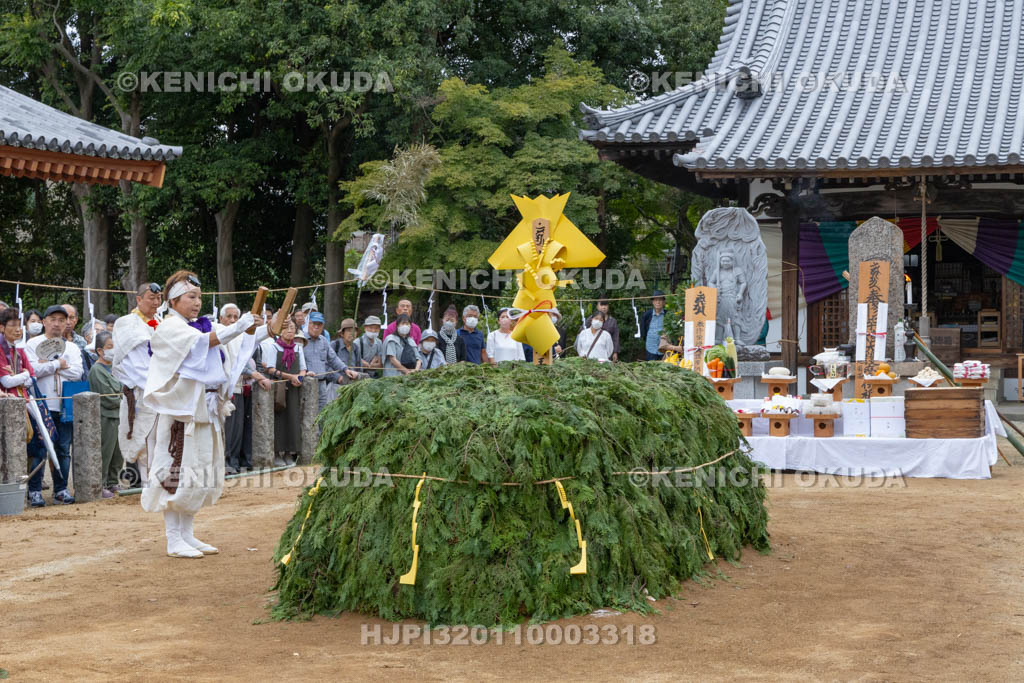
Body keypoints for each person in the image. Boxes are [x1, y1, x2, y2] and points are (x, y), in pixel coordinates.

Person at [142, 270, 256, 558]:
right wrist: (240, 325)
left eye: (199, 297)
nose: (197, 302)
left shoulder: (195, 327)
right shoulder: (170, 328)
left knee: (201, 471)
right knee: (178, 472)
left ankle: (187, 534)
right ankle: (173, 538)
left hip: (204, 409)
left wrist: (262, 329)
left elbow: (231, 343)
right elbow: (207, 342)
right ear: (174, 299)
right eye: (191, 297)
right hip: (181, 413)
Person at [25, 305, 83, 506]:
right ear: (44, 322)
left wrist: (48, 366)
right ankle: (34, 490)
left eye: (61, 319)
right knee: (39, 448)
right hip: (41, 404)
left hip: (65, 404)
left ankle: (61, 489)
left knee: (63, 449)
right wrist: (58, 364)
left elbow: (77, 373)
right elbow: (32, 371)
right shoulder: (32, 344)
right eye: (53, 319)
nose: (57, 324)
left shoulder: (73, 347)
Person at [112, 283, 164, 485]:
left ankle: (158, 480)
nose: (156, 302)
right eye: (151, 297)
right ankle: (145, 482)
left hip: (163, 388)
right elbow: (135, 363)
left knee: (162, 437)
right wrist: (157, 386)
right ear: (139, 299)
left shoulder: (159, 322)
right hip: (141, 390)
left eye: (159, 298)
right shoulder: (127, 324)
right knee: (143, 437)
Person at [261, 319, 308, 466]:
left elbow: (303, 368)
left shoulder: (299, 348)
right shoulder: (274, 348)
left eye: (293, 328)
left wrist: (299, 377)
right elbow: (269, 369)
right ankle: (277, 453)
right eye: (287, 327)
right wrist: (289, 377)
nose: (290, 330)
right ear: (280, 331)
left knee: (293, 419)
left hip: (294, 388)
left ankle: (289, 453)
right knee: (279, 419)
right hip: (279, 388)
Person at [88, 331, 124, 498]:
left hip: (120, 416)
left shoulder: (116, 367)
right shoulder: (96, 370)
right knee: (106, 451)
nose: (113, 350)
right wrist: (124, 398)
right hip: (106, 416)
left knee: (118, 452)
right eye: (110, 347)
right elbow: (108, 398)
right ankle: (101, 483)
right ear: (100, 351)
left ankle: (113, 481)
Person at [305, 311, 358, 413]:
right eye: (313, 323)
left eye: (319, 324)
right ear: (308, 323)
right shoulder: (301, 340)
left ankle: (321, 430)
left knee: (322, 413)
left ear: (322, 326)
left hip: (322, 384)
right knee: (308, 413)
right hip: (307, 383)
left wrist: (346, 369)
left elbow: (333, 359)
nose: (316, 327)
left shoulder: (324, 341)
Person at [216, 303, 246, 475]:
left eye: (236, 317)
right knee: (223, 427)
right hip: (220, 389)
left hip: (238, 386)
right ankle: (221, 462)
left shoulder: (240, 337)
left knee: (235, 428)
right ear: (221, 318)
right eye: (229, 316)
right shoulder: (217, 332)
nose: (232, 320)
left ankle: (231, 461)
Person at [330, 318, 365, 385]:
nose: (352, 333)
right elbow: (327, 366)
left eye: (354, 331)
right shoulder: (334, 345)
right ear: (342, 334)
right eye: (349, 331)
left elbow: (359, 368)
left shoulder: (356, 348)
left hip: (352, 385)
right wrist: (338, 378)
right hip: (336, 385)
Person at [640, 290, 667, 361]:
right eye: (656, 300)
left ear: (664, 302)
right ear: (653, 302)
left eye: (660, 300)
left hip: (664, 348)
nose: (658, 302)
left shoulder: (667, 315)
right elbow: (643, 330)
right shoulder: (647, 315)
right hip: (650, 347)